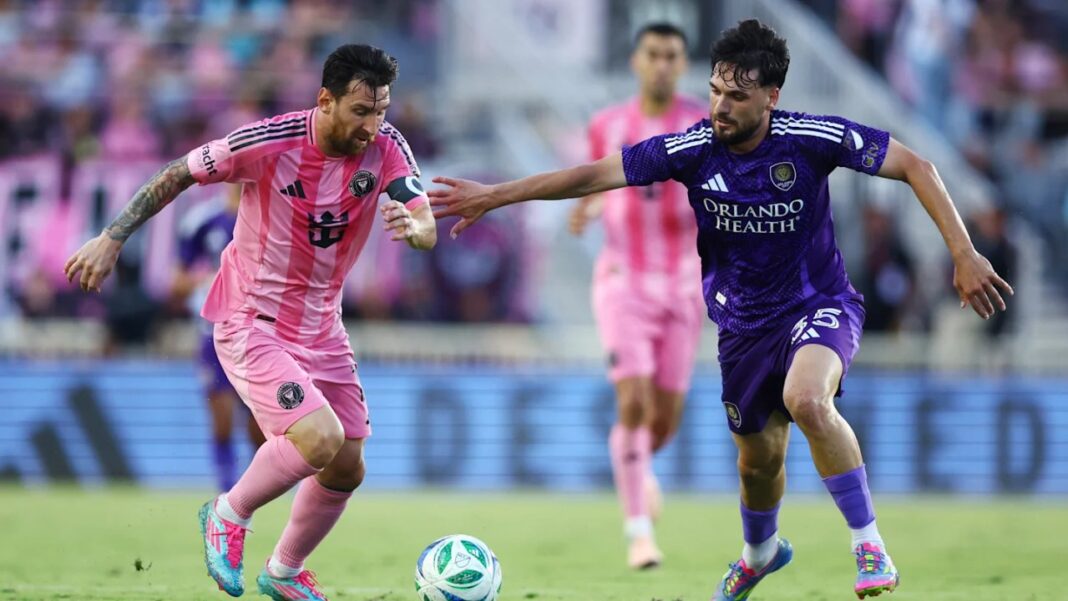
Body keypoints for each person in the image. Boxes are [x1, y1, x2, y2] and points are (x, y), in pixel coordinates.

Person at [430, 19, 1013, 600]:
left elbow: (916, 166)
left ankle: (869, 545)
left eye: (736, 95)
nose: (720, 106)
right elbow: (591, 175)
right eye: (714, 90)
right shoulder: (692, 149)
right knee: (758, 463)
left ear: (771, 97)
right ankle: (760, 554)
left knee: (807, 399)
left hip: (820, 304)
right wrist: (495, 195)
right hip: (742, 327)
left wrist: (964, 253)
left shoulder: (812, 138)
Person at [64, 44, 436, 600]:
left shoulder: (386, 147)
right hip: (252, 320)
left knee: (347, 465)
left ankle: (283, 572)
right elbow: (177, 173)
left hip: (323, 327)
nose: (372, 125)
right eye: (361, 111)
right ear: (325, 100)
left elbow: (423, 216)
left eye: (381, 111)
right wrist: (112, 238)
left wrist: (416, 230)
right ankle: (228, 512)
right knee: (320, 437)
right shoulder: (269, 141)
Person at [568, 22, 707, 570]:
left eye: (672, 55)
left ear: (683, 63)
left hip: (684, 285)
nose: (662, 64)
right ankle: (639, 532)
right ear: (636, 61)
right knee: (632, 403)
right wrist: (589, 207)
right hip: (622, 279)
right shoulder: (608, 125)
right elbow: (600, 181)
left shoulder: (703, 123)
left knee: (664, 420)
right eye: (653, 54)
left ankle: (639, 467)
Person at [173, 183, 267, 491]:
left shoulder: (273, 214)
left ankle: (256, 489)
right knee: (222, 420)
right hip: (215, 333)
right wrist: (205, 281)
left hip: (262, 333)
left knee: (260, 427)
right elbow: (177, 282)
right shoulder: (201, 220)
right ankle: (227, 491)